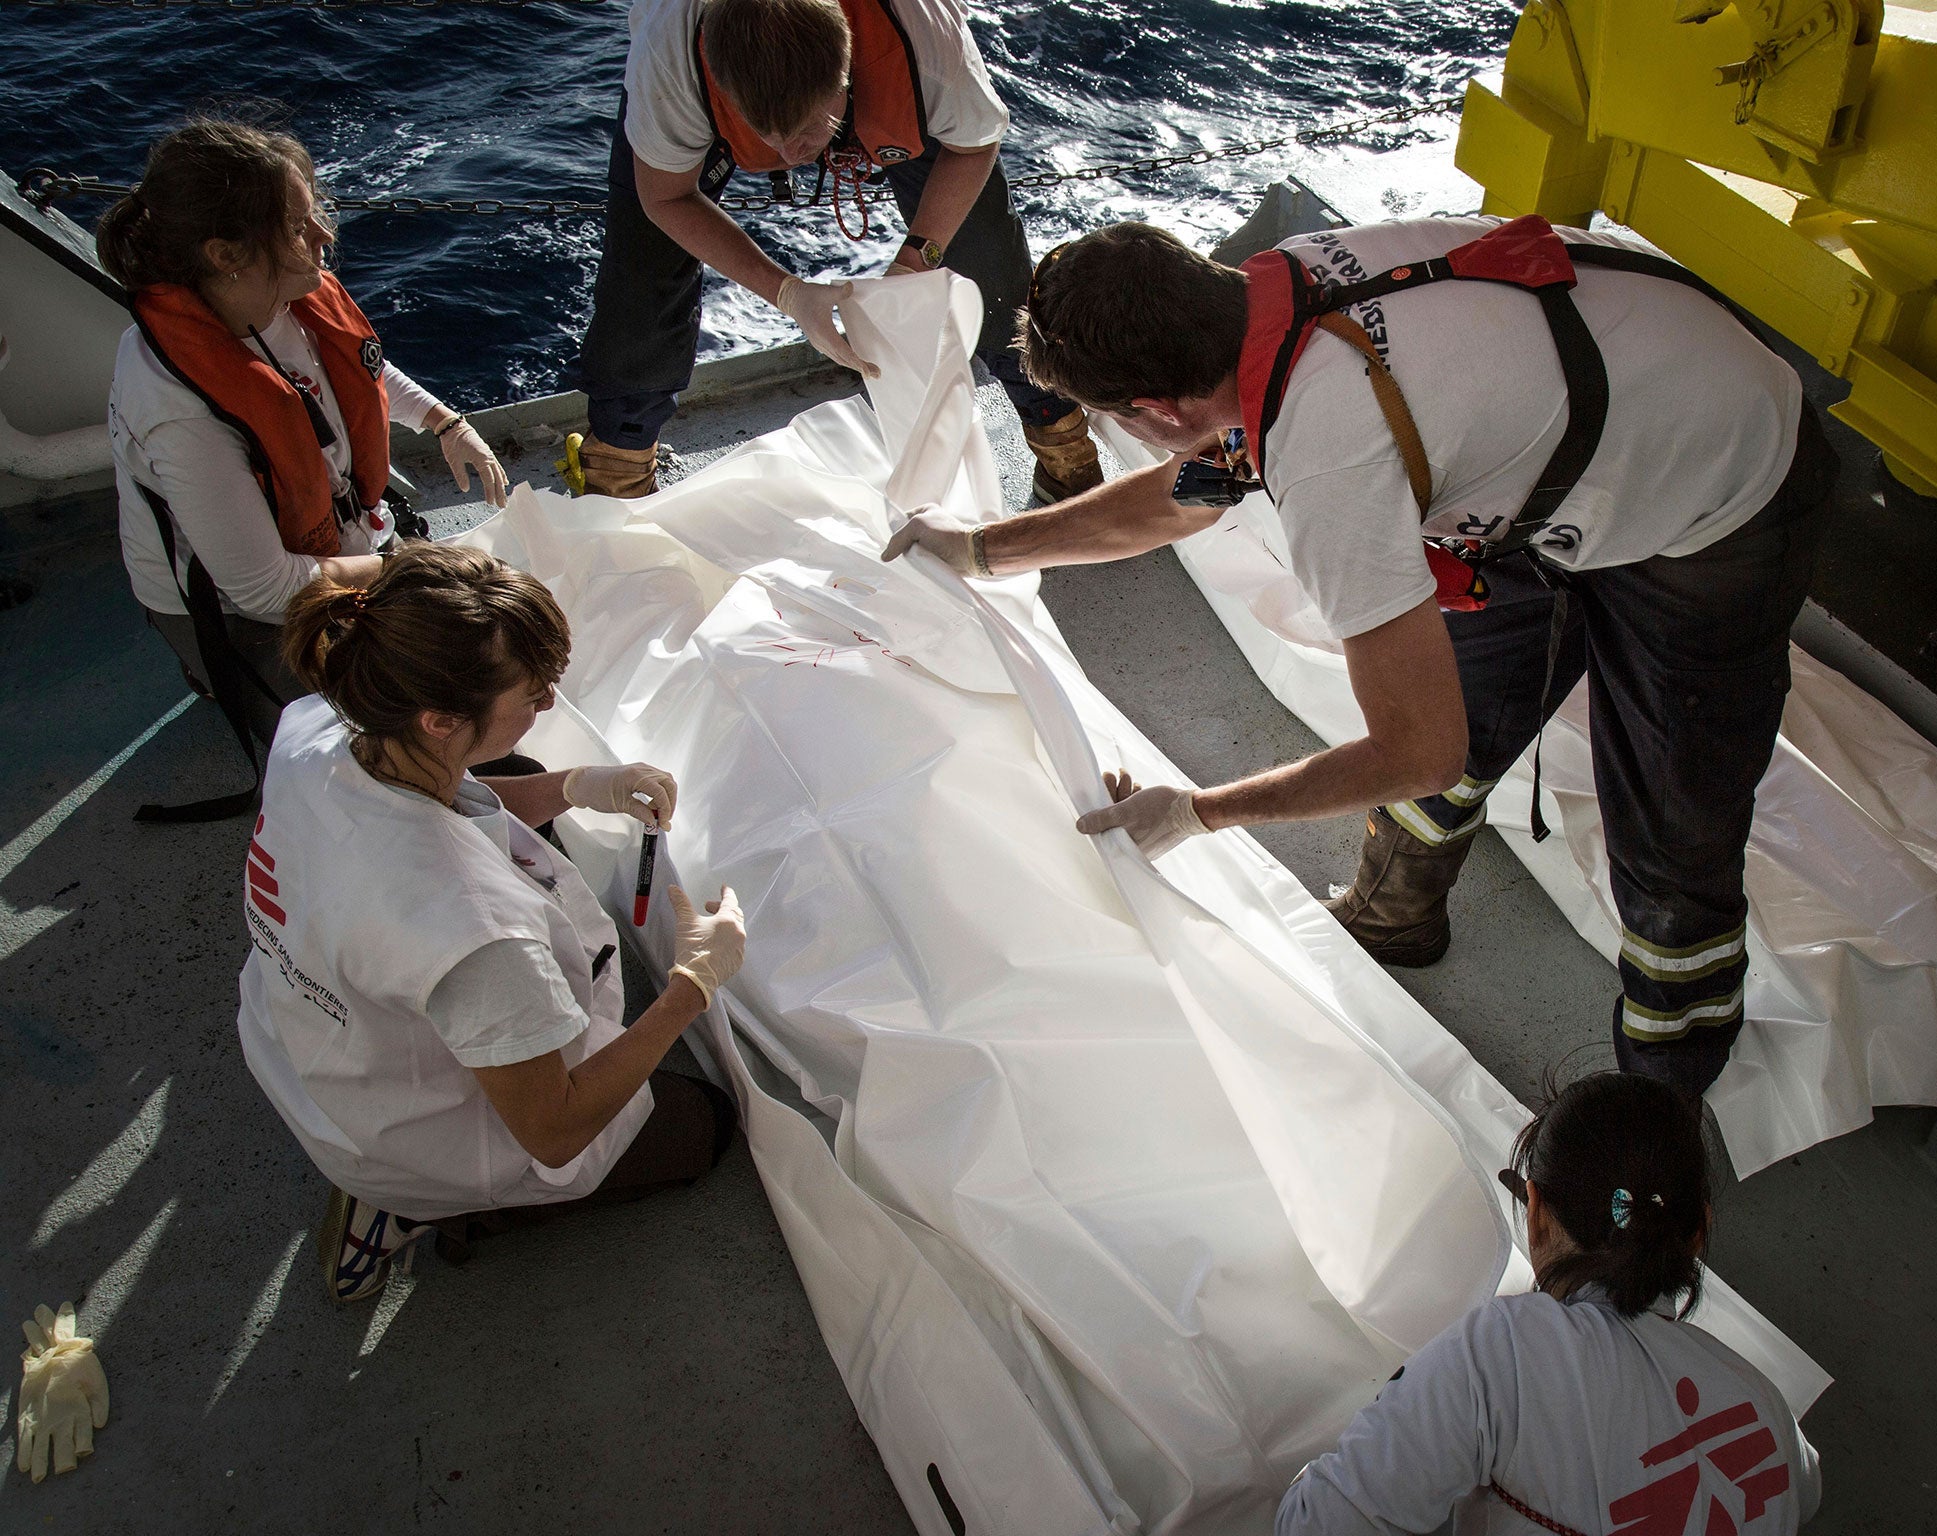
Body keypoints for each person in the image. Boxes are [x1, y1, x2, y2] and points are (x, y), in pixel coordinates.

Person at [884, 215, 1840, 1096]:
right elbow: (1175, 499)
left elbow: (1414, 749)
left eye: (1114, 421)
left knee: (1674, 825)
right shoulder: (1267, 302)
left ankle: (1656, 1102)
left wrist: (1197, 812)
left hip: (1718, 491)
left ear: (1160, 407)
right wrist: (978, 549)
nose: (1121, 439)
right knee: (1463, 694)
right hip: (1562, 443)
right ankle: (1397, 914)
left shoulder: (1330, 449)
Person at [239, 543, 746, 1303]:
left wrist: (576, 786)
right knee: (702, 1126)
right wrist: (691, 986)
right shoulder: (475, 939)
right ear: (441, 718)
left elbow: (454, 808)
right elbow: (556, 1128)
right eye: (534, 695)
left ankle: (395, 1187)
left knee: (503, 779)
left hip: (308, 1050)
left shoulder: (317, 729)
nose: (549, 705)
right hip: (408, 1136)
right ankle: (419, 1214)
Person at [567, 0, 1100, 504]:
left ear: (848, 74)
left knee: (989, 258)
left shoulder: (924, 40)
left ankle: (1061, 435)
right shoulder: (672, 57)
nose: (786, 155)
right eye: (765, 134)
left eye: (803, 134)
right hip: (696, 81)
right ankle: (619, 460)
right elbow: (666, 196)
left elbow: (975, 144)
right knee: (641, 273)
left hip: (887, 61)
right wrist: (790, 294)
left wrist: (917, 256)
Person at [99, 118, 509, 766]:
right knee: (405, 736)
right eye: (296, 227)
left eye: (312, 211)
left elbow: (358, 372)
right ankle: (213, 670)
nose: (322, 235)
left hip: (339, 546)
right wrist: (407, 571)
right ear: (225, 255)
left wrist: (444, 422)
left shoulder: (275, 295)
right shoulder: (177, 409)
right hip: (249, 607)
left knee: (476, 651)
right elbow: (265, 589)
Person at [1274, 1070, 1820, 1535]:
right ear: (1698, 1232)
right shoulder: (1768, 1407)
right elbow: (1806, 1486)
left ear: (1535, 1212)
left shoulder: (1503, 1356)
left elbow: (1317, 1522)